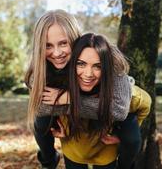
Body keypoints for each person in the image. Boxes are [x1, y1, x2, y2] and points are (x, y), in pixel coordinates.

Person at [24, 10, 132, 169]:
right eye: (48, 46)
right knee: (39, 123)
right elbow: (42, 107)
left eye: (63, 43)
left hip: (113, 115)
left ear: (74, 39)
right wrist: (62, 120)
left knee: (131, 136)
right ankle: (48, 160)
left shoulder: (105, 54)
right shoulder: (39, 67)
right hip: (78, 127)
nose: (57, 53)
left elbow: (119, 110)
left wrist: (69, 100)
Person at [55, 33, 151, 169]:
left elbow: (146, 104)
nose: (88, 74)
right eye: (81, 64)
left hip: (105, 154)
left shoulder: (121, 96)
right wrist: (56, 126)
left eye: (97, 66)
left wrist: (123, 135)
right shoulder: (62, 87)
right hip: (73, 151)